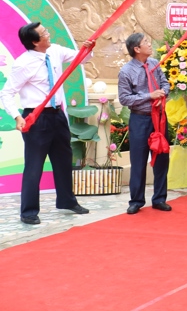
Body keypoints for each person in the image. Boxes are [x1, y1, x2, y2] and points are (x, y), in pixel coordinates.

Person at [0, 23, 95, 224]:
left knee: (63, 160)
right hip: (35, 118)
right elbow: (7, 93)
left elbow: (81, 59)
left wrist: (88, 48)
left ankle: (67, 201)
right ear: (35, 42)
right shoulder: (23, 64)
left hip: (57, 116)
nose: (48, 34)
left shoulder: (56, 51)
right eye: (44, 33)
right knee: (34, 166)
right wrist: (17, 117)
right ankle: (28, 211)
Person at [117, 32, 172, 215]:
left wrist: (162, 94)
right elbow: (125, 99)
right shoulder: (126, 71)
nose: (150, 44)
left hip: (160, 117)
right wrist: (150, 96)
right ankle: (136, 200)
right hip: (140, 119)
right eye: (146, 42)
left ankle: (159, 199)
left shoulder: (155, 64)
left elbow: (165, 84)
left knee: (161, 158)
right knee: (138, 160)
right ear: (137, 49)